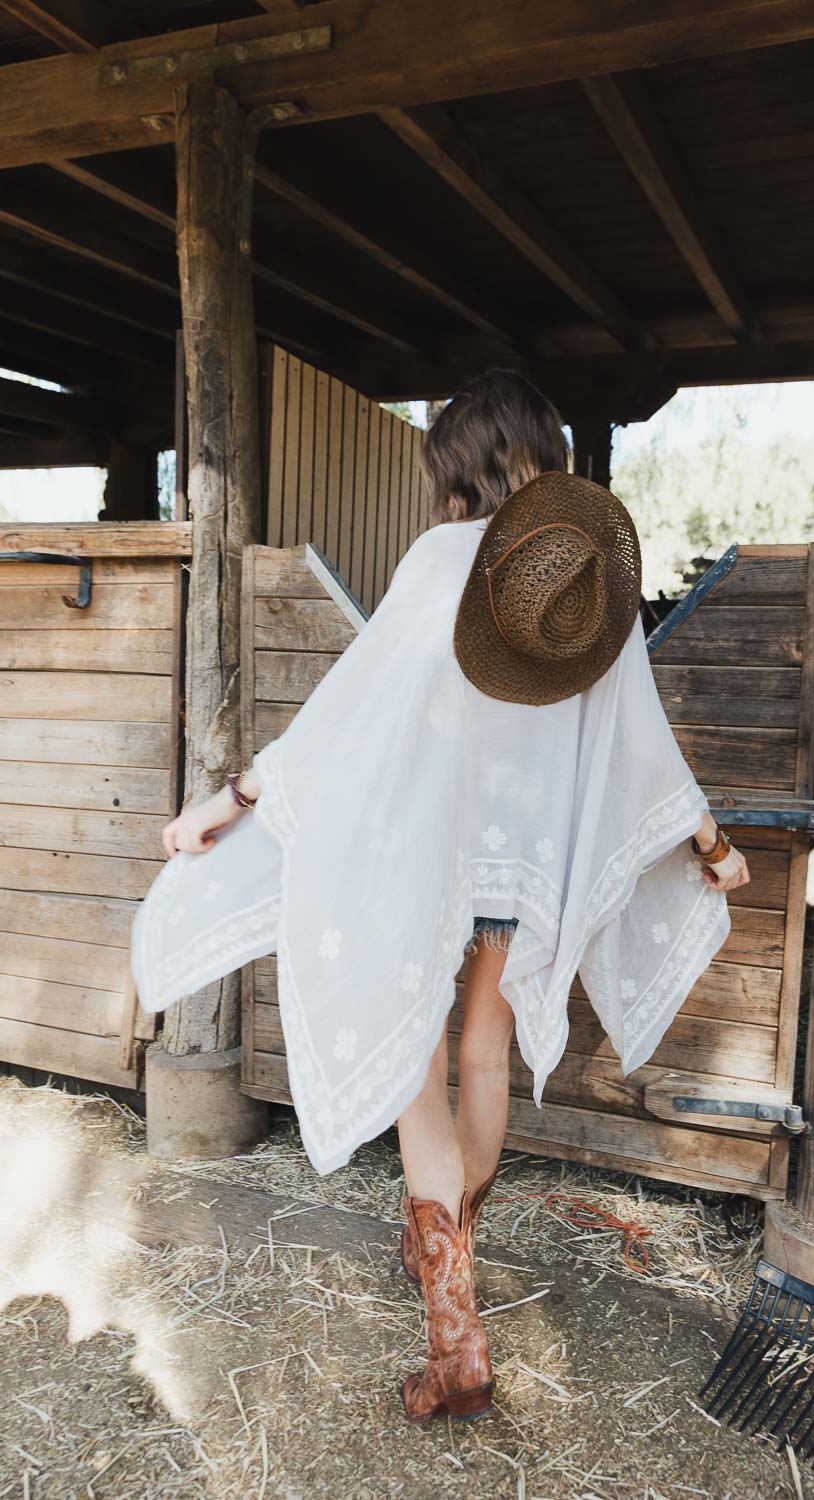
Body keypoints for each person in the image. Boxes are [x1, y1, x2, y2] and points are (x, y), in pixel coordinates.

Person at [136, 368, 749, 1426]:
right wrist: (711, 841)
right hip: (524, 875)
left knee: (419, 1069)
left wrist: (232, 801)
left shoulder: (439, 565)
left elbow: (345, 720)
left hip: (427, 862)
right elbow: (640, 742)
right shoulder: (580, 578)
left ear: (460, 465)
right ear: (543, 456)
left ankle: (455, 1331)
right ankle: (450, 1259)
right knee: (481, 1054)